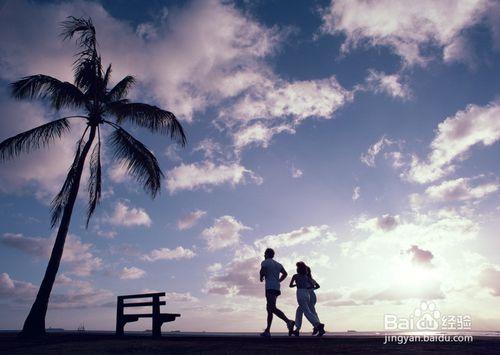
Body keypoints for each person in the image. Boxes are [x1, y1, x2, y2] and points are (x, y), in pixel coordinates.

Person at [259, 248, 295, 337]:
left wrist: (261, 277)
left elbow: (262, 271)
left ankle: (288, 322)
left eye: (265, 254)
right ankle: (267, 330)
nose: (264, 255)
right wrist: (279, 280)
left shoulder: (265, 262)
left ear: (267, 254)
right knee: (269, 309)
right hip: (276, 288)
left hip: (270, 287)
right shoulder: (278, 264)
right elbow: (285, 273)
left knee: (271, 308)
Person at [289, 261, 325, 336]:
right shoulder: (307, 278)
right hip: (307, 294)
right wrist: (308, 288)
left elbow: (317, 286)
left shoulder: (303, 277)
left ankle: (317, 325)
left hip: (307, 295)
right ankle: (298, 329)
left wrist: (308, 289)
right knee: (300, 311)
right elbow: (314, 286)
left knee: (308, 311)